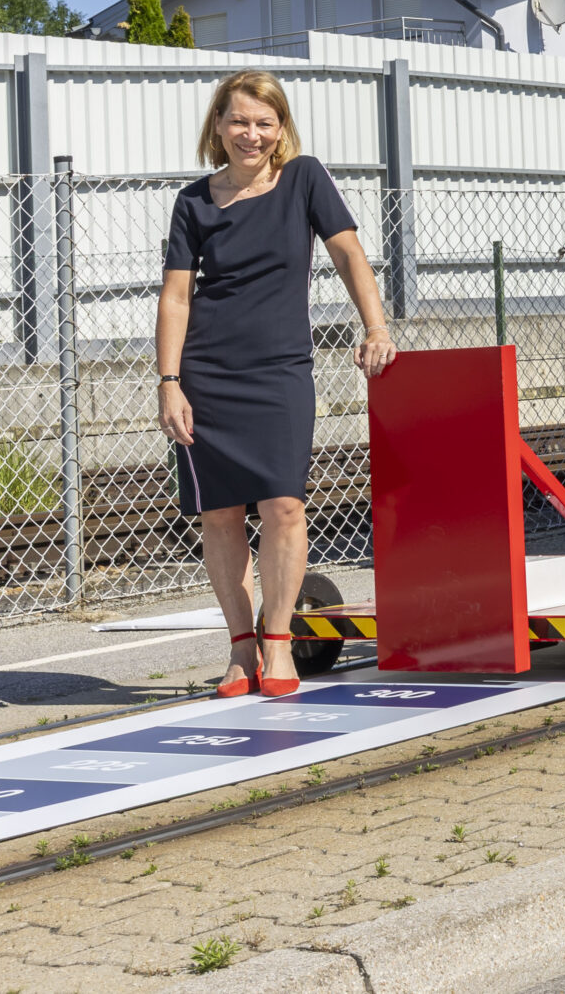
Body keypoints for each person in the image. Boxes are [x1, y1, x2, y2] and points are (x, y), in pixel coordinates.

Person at [157, 70, 396, 698]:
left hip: (281, 369)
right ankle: (241, 649)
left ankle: (281, 642)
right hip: (207, 373)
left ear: (281, 128)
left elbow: (348, 254)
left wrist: (375, 325)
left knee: (285, 505)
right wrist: (169, 381)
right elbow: (177, 297)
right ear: (218, 125)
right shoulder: (194, 202)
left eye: (265, 122)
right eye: (239, 121)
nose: (251, 133)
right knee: (220, 514)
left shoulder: (304, 178)